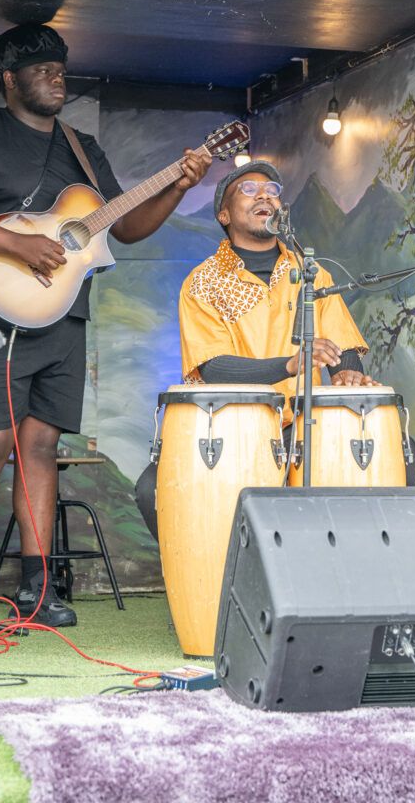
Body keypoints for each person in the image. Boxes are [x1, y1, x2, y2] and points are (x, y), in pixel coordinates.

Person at [0, 22, 211, 629]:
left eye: (60, 70)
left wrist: (178, 186)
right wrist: (16, 245)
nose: (57, 78)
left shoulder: (82, 148)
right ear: (9, 79)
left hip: (64, 318)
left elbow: (125, 226)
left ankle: (38, 589)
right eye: (42, 70)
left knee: (41, 445)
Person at [135, 159, 377, 539]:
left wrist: (347, 372)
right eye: (248, 189)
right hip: (233, 428)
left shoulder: (311, 273)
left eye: (272, 191)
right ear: (224, 214)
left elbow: (341, 345)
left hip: (302, 428)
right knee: (152, 488)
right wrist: (290, 365)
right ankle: (212, 572)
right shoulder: (204, 282)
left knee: (385, 450)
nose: (264, 195)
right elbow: (213, 367)